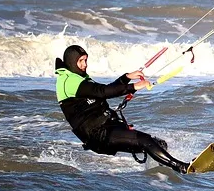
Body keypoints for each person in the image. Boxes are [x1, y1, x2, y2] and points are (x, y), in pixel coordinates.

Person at [55, 44, 190, 173]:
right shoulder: (68, 81)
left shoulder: (78, 78)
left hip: (106, 127)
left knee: (159, 144)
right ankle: (182, 167)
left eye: (85, 60)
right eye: (81, 61)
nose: (85, 65)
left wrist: (126, 78)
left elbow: (104, 90)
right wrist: (134, 86)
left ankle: (160, 172)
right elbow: (103, 91)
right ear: (72, 62)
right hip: (97, 134)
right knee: (145, 141)